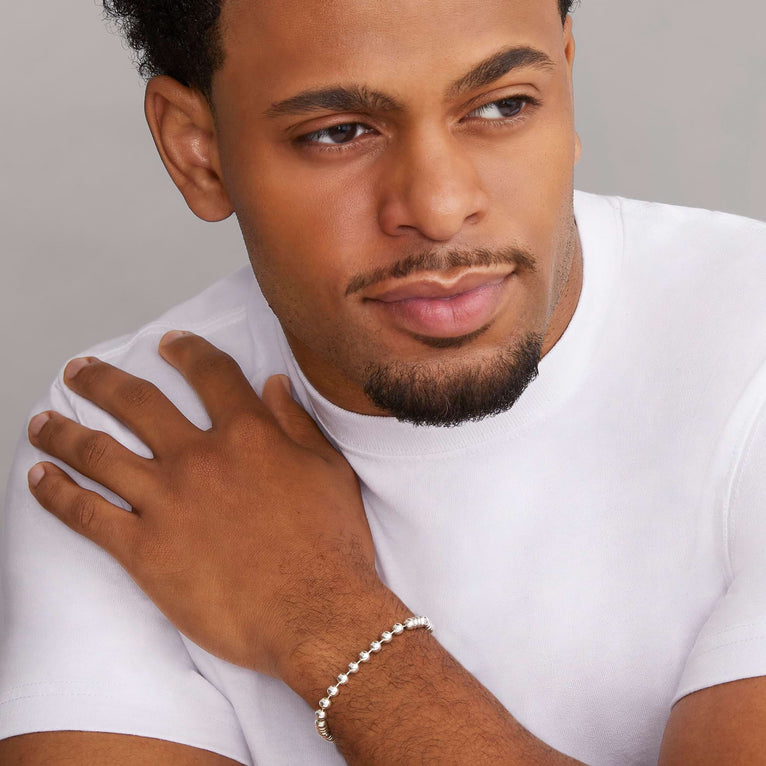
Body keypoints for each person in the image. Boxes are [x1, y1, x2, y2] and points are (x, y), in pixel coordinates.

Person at [1, 0, 765, 763]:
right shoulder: (136, 442)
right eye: (338, 132)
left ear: (564, 75)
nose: (438, 209)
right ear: (197, 149)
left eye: (503, 106)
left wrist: (324, 620)